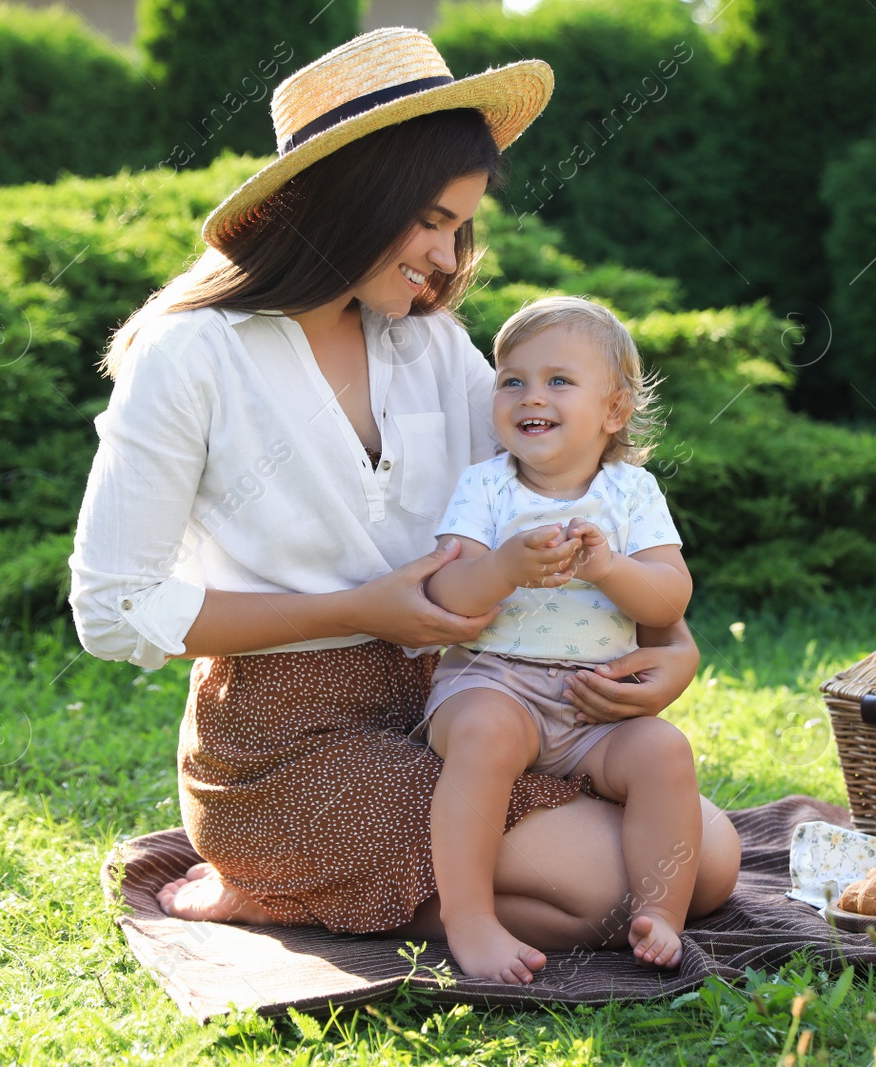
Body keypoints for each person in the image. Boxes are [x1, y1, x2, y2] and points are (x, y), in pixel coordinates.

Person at [66, 28, 740, 973]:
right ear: (353, 193)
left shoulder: (429, 347)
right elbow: (113, 608)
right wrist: (355, 609)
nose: (444, 253)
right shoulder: (192, 355)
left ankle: (343, 891)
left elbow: (540, 507)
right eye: (428, 217)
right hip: (284, 740)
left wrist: (673, 648)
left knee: (705, 861)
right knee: (605, 887)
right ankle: (273, 879)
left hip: (460, 707)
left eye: (459, 225)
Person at [416, 297, 700, 983]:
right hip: (491, 681)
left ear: (615, 410)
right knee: (486, 732)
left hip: (593, 704)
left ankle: (660, 912)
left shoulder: (633, 494)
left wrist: (610, 567)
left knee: (664, 748)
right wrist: (502, 567)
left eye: (557, 381)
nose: (529, 395)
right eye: (512, 380)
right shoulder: (485, 488)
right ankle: (471, 917)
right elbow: (445, 597)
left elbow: (671, 596)